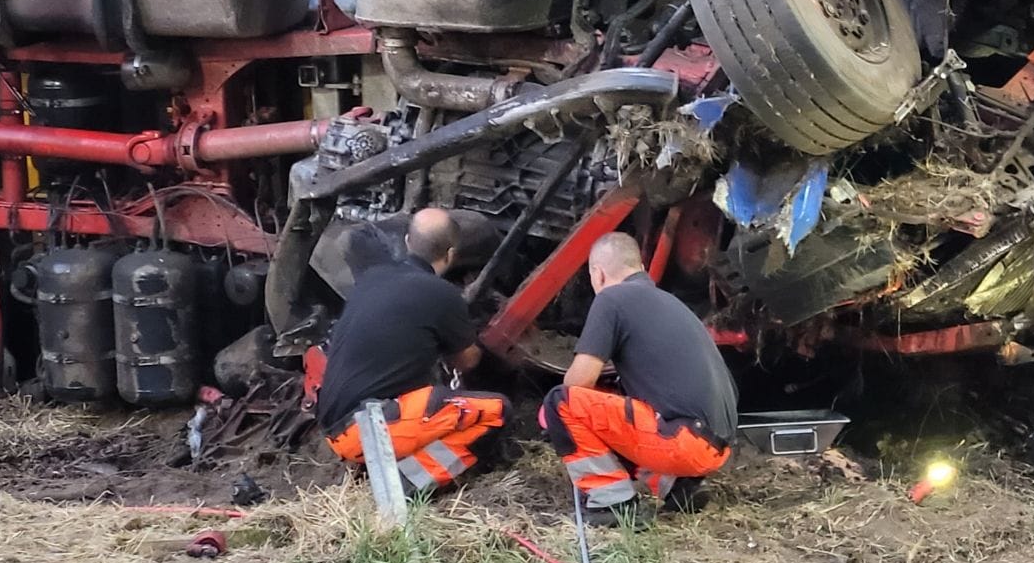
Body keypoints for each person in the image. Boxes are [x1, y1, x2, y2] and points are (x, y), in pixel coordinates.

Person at [543, 232, 738, 524]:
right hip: (718, 447)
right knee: (622, 406)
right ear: (641, 267)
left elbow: (578, 383)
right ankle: (674, 485)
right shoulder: (670, 303)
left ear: (597, 274)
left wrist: (557, 424)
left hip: (684, 443)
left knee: (561, 402)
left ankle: (611, 504)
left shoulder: (612, 298)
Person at [315, 207, 509, 496]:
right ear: (451, 253)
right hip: (370, 430)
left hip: (336, 427)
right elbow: (467, 361)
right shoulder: (443, 295)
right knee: (496, 411)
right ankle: (409, 484)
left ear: (407, 241)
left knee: (431, 402)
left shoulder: (372, 277)